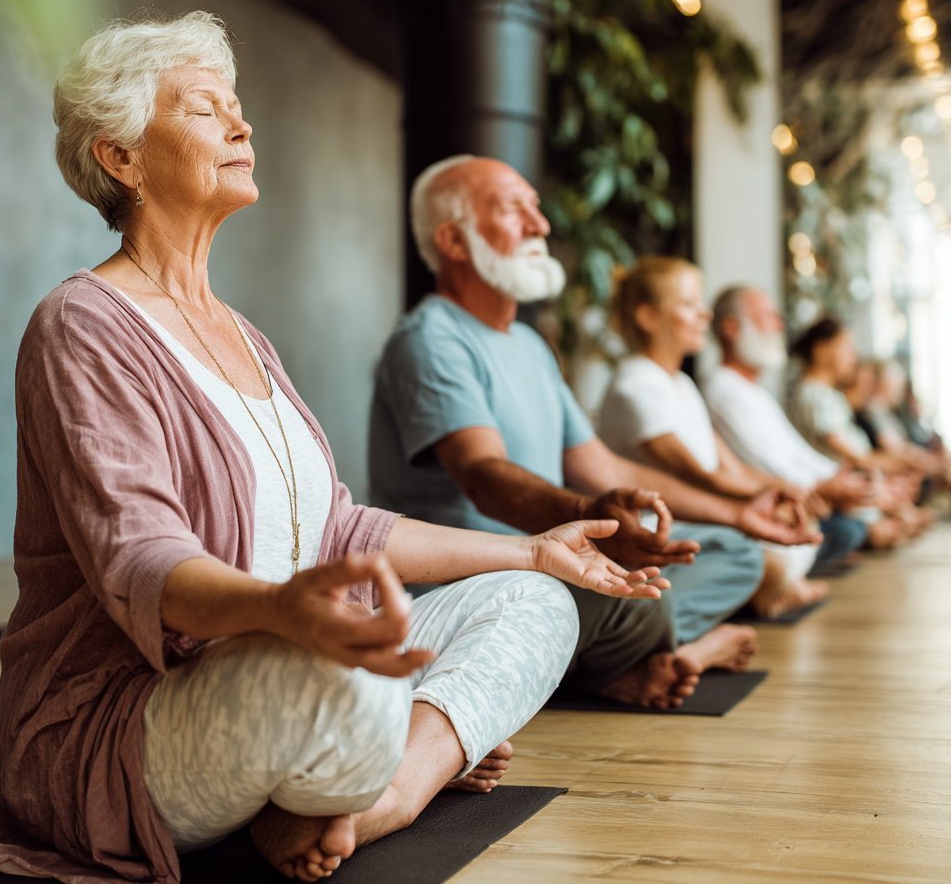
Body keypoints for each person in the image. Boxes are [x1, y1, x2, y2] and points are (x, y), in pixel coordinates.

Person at [0, 14, 667, 884]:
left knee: (535, 602)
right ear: (119, 157)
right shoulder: (82, 326)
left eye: (238, 107)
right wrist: (288, 615)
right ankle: (406, 744)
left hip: (287, 661)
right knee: (340, 668)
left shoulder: (242, 334)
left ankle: (383, 793)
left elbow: (340, 527)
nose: (242, 126)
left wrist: (534, 550)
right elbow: (141, 565)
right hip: (133, 722)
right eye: (207, 109)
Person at [370, 155, 821, 697]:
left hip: (555, 559)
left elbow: (599, 465)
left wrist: (739, 512)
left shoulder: (531, 346)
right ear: (454, 241)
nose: (541, 225)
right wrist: (587, 515)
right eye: (516, 210)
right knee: (629, 592)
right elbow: (482, 475)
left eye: (537, 207)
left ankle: (612, 661)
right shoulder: (432, 338)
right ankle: (636, 662)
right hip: (479, 580)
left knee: (733, 553)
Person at [599, 258, 828, 618]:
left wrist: (790, 491)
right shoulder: (635, 386)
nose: (705, 315)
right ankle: (764, 592)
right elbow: (699, 477)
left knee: (801, 528)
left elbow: (729, 468)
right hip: (657, 530)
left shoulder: (683, 384)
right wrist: (766, 497)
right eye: (690, 305)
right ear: (648, 317)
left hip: (699, 515)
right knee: (762, 558)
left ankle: (767, 590)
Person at [703, 285, 872, 574]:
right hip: (771, 501)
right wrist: (824, 487)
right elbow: (764, 462)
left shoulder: (756, 391)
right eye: (769, 317)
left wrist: (839, 480)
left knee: (852, 528)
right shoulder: (722, 388)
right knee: (847, 531)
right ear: (732, 328)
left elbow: (797, 452)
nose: (780, 326)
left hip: (799, 495)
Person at [788, 318, 928, 546]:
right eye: (846, 348)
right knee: (853, 532)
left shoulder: (827, 396)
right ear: (821, 351)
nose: (852, 356)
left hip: (848, 487)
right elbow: (854, 458)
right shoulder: (812, 396)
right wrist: (904, 464)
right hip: (836, 494)